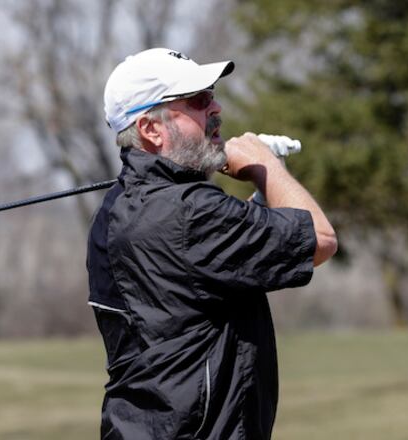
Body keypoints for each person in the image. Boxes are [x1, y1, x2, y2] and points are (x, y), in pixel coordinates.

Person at [87, 48, 337, 440]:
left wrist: (262, 186)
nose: (216, 107)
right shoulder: (190, 213)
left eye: (212, 94)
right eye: (198, 101)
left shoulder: (119, 207)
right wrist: (266, 167)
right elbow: (320, 239)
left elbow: (221, 258)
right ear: (152, 130)